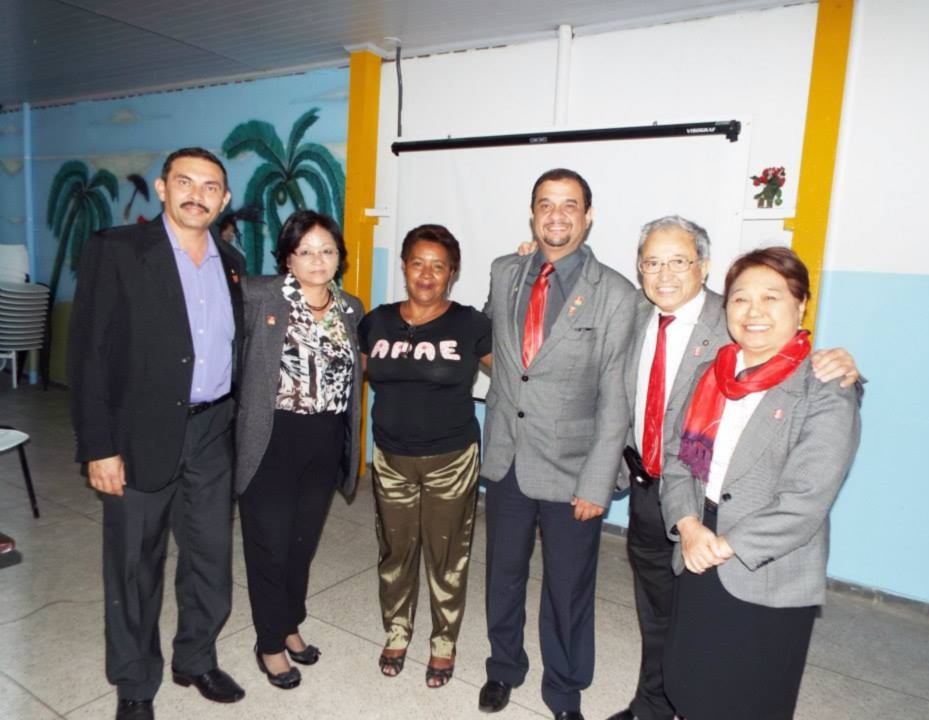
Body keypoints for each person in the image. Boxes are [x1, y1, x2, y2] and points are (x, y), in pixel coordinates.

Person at [607, 218, 860, 720]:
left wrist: (723, 545)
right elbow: (679, 459)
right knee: (690, 677)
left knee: (750, 690)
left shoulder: (825, 388)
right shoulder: (713, 373)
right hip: (697, 537)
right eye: (741, 298)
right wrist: (688, 525)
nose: (753, 311)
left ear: (800, 305)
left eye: (771, 298)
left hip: (763, 561)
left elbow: (806, 500)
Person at [68, 147, 246, 720]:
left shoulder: (231, 259)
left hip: (213, 429)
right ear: (164, 188)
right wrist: (99, 447)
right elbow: (88, 355)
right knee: (133, 565)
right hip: (137, 434)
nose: (198, 194)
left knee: (210, 557)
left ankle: (195, 658)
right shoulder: (118, 250)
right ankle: (135, 685)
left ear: (224, 199)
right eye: (185, 182)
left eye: (211, 186)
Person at [479, 168, 636, 720]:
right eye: (546, 203)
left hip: (574, 469)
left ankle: (564, 690)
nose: (557, 215)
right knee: (503, 574)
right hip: (507, 455)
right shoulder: (505, 270)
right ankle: (503, 667)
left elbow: (616, 397)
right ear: (532, 213)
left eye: (570, 204)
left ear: (588, 216)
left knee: (568, 588)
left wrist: (598, 481)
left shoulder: (616, 293)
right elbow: (490, 340)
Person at [358, 224, 492, 688]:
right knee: (395, 551)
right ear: (404, 266)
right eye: (418, 263)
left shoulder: (470, 324)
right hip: (390, 457)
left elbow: (516, 375)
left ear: (452, 272)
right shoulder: (375, 321)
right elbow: (350, 373)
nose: (427, 274)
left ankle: (443, 642)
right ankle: (397, 632)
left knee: (446, 556)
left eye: (438, 266)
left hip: (451, 458)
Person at [234, 209, 363, 689]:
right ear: (287, 257)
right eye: (305, 250)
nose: (317, 259)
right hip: (271, 437)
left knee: (301, 544)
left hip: (325, 440)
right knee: (269, 545)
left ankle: (289, 624)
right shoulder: (257, 296)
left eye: (327, 250)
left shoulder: (351, 309)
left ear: (339, 258)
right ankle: (269, 643)